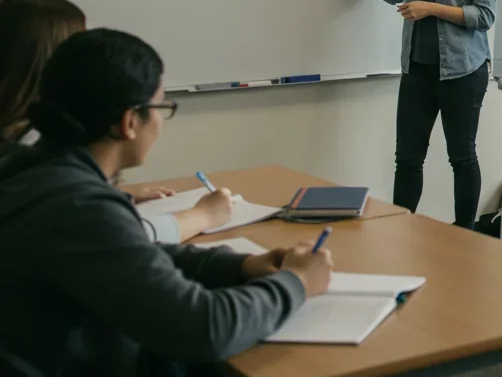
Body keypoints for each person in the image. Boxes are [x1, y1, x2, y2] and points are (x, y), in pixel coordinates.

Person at [0, 28, 333, 376]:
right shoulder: (79, 206)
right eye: (162, 106)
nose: (162, 120)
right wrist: (296, 283)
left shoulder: (34, 168)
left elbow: (132, 253)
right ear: (129, 122)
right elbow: (205, 329)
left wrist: (240, 267)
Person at [332, 0, 497, 228]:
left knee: (462, 158)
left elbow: (485, 15)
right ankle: (401, 228)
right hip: (417, 69)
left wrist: (431, 8)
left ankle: (465, 234)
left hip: (463, 73)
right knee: (407, 159)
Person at [0, 0, 232, 242]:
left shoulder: (17, 132)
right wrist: (202, 216)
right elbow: (110, 238)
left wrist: (115, 193)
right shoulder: (33, 141)